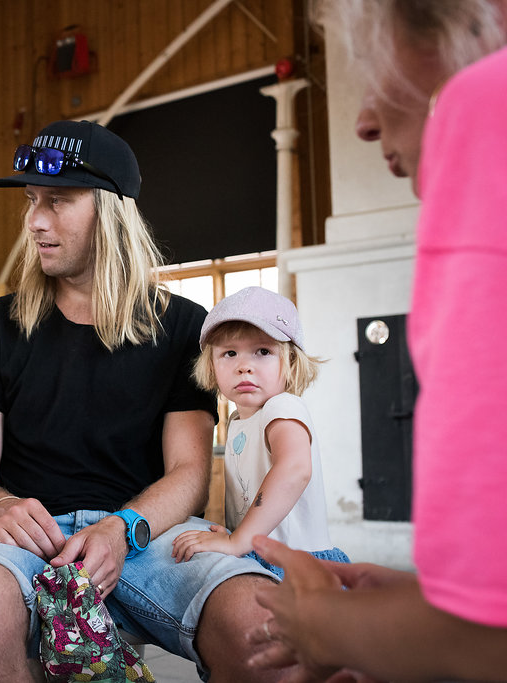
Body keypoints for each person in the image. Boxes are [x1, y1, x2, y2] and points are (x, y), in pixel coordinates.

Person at [0, 119, 284, 682]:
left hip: (149, 535)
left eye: (57, 201)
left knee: (261, 622)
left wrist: (122, 528)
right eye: (31, 200)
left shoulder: (184, 327)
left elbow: (190, 473)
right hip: (34, 542)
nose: (35, 220)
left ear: (110, 211)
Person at [245, 1, 507, 680]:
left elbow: (485, 642)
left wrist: (322, 625)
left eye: (373, 64)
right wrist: (424, 597)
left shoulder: (484, 108)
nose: (363, 121)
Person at [171, 287, 348, 579]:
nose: (244, 367)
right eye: (229, 353)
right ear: (211, 366)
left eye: (263, 352)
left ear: (291, 362)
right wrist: (235, 536)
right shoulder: (238, 420)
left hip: (293, 565)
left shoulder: (283, 406)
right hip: (258, 555)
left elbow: (295, 469)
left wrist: (237, 541)